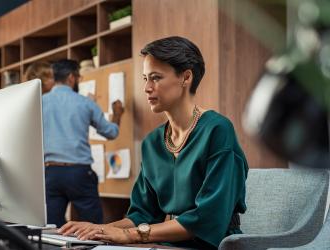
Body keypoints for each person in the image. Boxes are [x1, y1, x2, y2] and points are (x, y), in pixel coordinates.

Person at [57, 36, 249, 249]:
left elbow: (207, 218)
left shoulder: (218, 130)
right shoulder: (153, 142)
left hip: (217, 244)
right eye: (145, 78)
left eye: (156, 78)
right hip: (169, 243)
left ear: (186, 77)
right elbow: (143, 213)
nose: (147, 87)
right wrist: (99, 230)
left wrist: (130, 236)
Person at [43, 59, 124, 227]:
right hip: (78, 173)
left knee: (51, 227)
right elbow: (111, 132)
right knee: (92, 227)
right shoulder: (85, 103)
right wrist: (117, 115)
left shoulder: (40, 102)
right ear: (72, 78)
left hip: (51, 173)